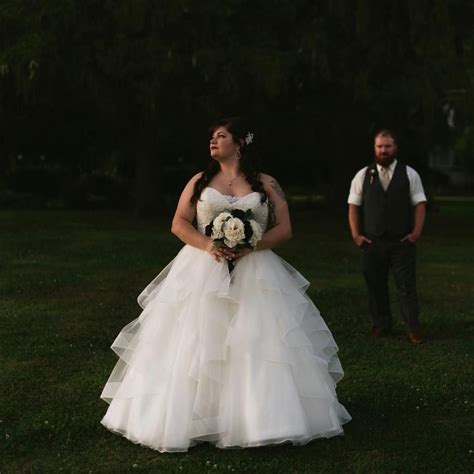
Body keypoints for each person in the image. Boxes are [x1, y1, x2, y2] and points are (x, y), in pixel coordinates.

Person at [100, 117, 351, 452]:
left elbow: (285, 229)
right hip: (203, 267)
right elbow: (179, 222)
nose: (213, 141)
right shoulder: (200, 182)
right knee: (196, 338)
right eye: (211, 137)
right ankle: (190, 418)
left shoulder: (266, 183)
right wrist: (208, 246)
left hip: (256, 269)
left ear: (240, 143)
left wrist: (252, 245)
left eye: (221, 136)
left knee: (257, 340)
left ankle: (258, 419)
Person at [347, 129, 427, 344]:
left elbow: (419, 204)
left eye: (388, 146)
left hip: (402, 242)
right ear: (374, 148)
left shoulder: (409, 174)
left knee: (406, 287)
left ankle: (412, 328)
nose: (383, 150)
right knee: (376, 286)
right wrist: (356, 235)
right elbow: (353, 206)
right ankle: (381, 326)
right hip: (373, 242)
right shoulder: (363, 175)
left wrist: (416, 233)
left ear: (395, 148)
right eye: (380, 146)